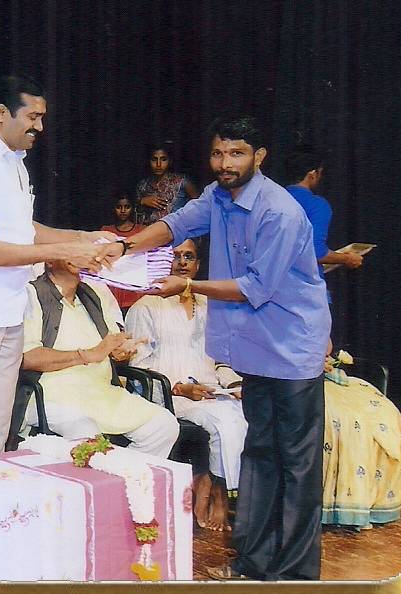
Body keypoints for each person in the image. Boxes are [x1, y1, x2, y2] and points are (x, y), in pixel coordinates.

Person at [124, 115, 331, 581]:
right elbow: (175, 223)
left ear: (259, 157)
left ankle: (296, 577)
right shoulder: (218, 196)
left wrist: (188, 285)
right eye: (218, 153)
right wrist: (124, 248)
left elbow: (255, 287)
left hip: (293, 349)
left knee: (296, 463)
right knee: (258, 454)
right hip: (255, 348)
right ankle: (252, 565)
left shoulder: (280, 211)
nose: (225, 163)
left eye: (236, 153)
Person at [0, 75, 123, 461]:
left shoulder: (15, 164)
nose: (39, 127)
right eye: (33, 117)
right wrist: (65, 251)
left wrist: (84, 238)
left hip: (11, 309)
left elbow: (25, 230)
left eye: (42, 118)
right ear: (1, 114)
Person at [126, 238, 248, 531]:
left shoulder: (210, 306)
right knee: (225, 422)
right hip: (169, 394)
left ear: (197, 264)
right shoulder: (146, 306)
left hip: (210, 391)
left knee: (245, 414)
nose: (182, 262)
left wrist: (235, 384)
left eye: (189, 256)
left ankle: (211, 482)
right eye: (175, 255)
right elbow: (138, 368)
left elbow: (220, 361)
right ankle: (217, 495)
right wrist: (179, 388)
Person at [20, 258, 180, 458]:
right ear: (50, 260)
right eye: (71, 250)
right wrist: (87, 355)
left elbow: (110, 346)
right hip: (50, 395)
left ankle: (121, 474)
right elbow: (27, 357)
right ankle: (105, 471)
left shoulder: (94, 294)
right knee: (86, 433)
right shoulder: (31, 294)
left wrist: (120, 351)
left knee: (163, 425)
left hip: (101, 393)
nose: (79, 255)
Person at [321, 345, 401, 529]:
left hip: (325, 378)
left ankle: (367, 499)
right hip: (295, 381)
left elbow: (326, 346)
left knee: (385, 411)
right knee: (341, 418)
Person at [284, 143, 367, 277]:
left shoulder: (268, 200)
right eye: (320, 173)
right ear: (312, 174)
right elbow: (315, 252)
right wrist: (347, 258)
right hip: (301, 285)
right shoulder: (316, 204)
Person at [100, 190, 147, 311]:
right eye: (118, 207)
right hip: (112, 281)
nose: (123, 210)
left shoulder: (141, 231)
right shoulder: (106, 231)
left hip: (134, 281)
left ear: (132, 208)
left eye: (127, 207)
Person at [134, 143, 199, 226]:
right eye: (154, 159)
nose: (158, 164)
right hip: (149, 231)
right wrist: (142, 201)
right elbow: (132, 209)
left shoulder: (182, 181)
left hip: (176, 230)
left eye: (163, 159)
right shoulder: (143, 185)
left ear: (170, 161)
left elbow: (198, 205)